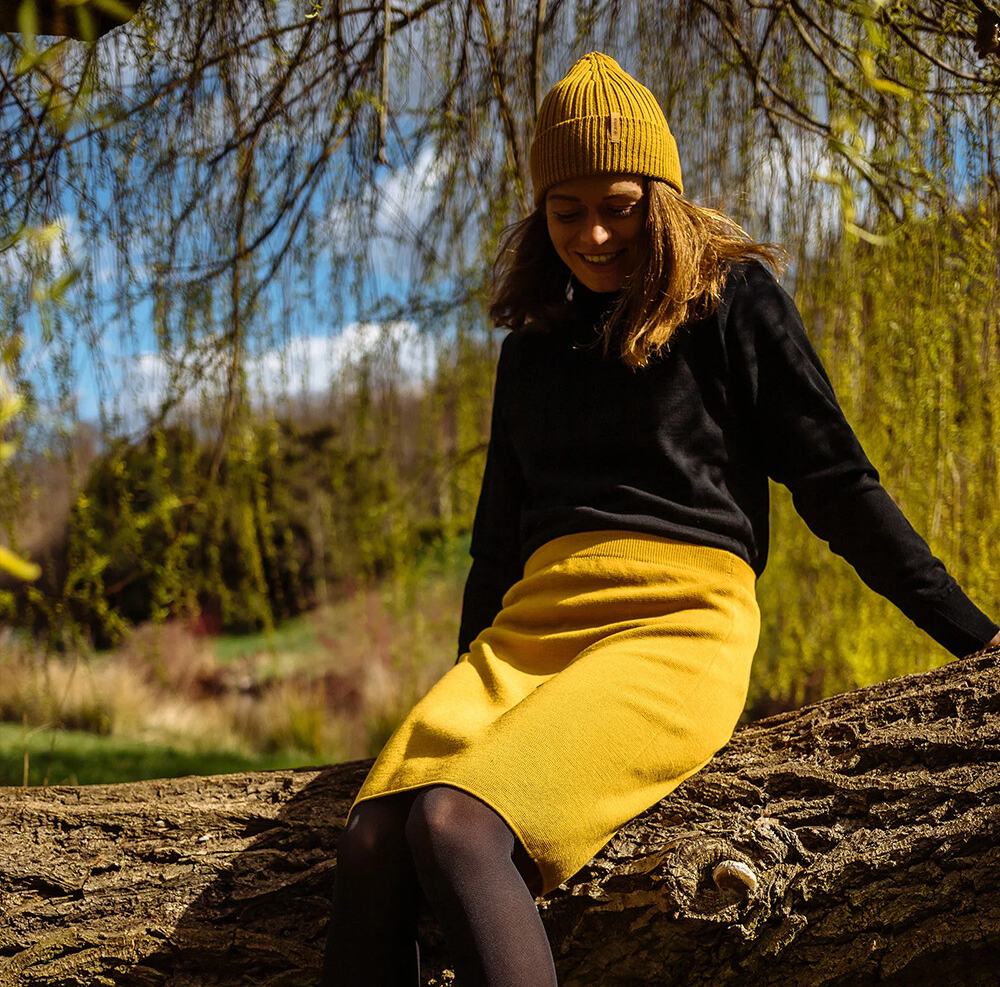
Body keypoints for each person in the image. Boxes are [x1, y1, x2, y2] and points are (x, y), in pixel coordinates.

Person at [319, 52, 1000, 986]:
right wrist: (469, 702)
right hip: (529, 634)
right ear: (540, 213)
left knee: (454, 825)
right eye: (567, 211)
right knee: (372, 839)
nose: (594, 234)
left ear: (664, 199)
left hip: (675, 627)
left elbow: (837, 485)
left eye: (621, 205)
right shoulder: (529, 354)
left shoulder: (732, 302)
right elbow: (495, 548)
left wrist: (978, 639)